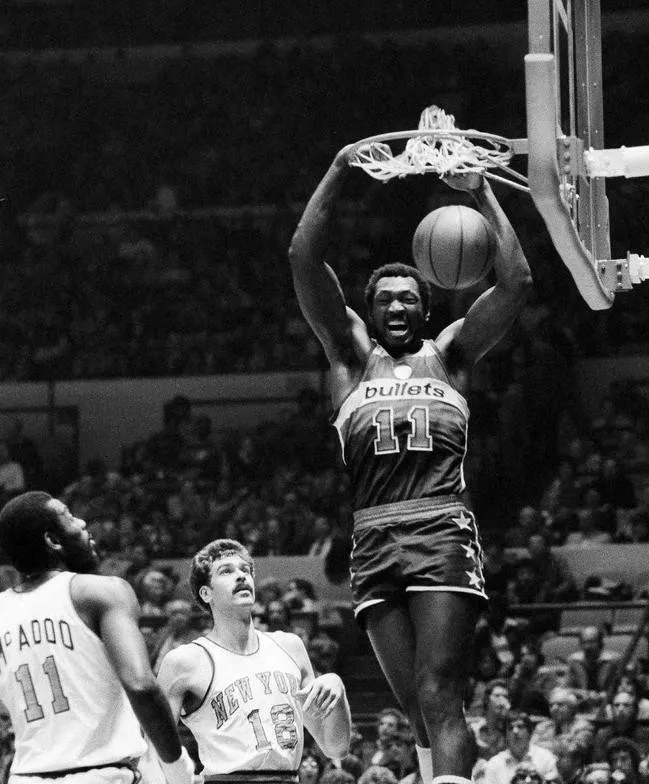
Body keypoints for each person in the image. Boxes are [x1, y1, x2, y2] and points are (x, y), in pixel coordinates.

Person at [289, 143, 532, 784]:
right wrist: (339, 168)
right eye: (386, 299)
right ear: (370, 312)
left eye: (409, 298)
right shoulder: (348, 362)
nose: (397, 306)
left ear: (426, 310)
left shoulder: (450, 355)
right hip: (372, 537)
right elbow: (302, 258)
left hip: (440, 530)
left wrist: (481, 192)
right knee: (414, 705)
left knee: (436, 690)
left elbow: (517, 283)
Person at [0, 491, 194, 784]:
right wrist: (179, 769)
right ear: (53, 540)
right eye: (69, 516)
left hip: (25, 776)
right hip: (102, 774)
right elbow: (141, 685)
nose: (81, 522)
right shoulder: (100, 592)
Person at [157, 539, 352, 778]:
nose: (241, 576)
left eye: (245, 570)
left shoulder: (290, 646)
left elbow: (335, 747)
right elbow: (155, 749)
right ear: (206, 593)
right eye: (226, 571)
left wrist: (337, 686)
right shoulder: (185, 661)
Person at [483, 712, 559, 784]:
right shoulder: (494, 764)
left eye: (520, 727)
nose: (515, 731)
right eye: (510, 728)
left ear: (530, 732)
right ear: (505, 736)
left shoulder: (546, 758)